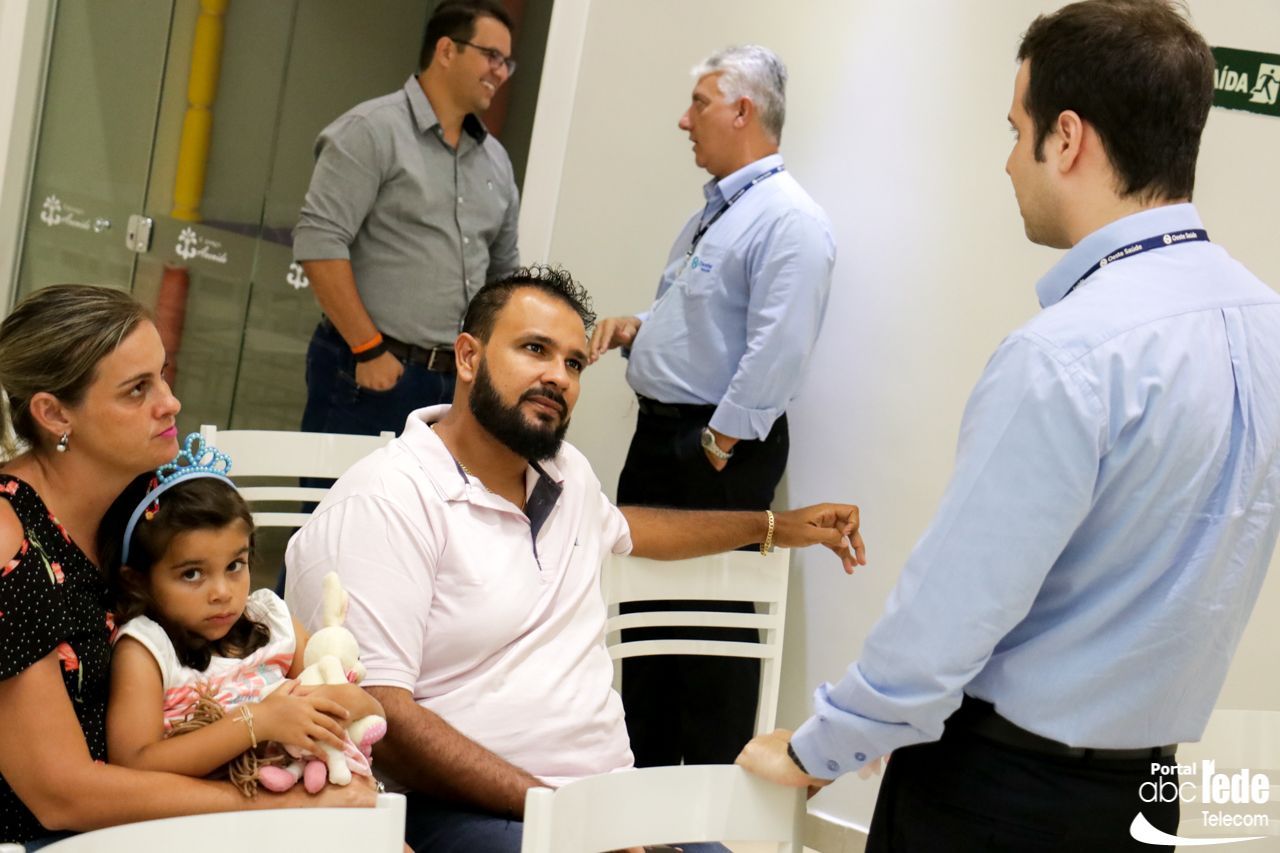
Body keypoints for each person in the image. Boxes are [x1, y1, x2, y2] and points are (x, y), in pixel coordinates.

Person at [736, 2, 1280, 851]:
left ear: (1066, 139)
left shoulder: (1068, 353)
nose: (1006, 160)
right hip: (1144, 798)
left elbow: (948, 621)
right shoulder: (1267, 327)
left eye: (1015, 130)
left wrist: (821, 746)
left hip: (998, 800)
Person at [286, 265, 864, 853]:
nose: (558, 377)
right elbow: (380, 717)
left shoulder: (566, 477)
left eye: (574, 363)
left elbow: (631, 527)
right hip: (454, 810)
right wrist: (573, 821)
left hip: (607, 803)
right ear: (468, 357)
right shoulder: (387, 501)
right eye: (534, 349)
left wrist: (774, 526)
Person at [0, 286, 372, 850]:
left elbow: (234, 642)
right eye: (137, 389)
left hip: (166, 808)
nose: (170, 403)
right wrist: (286, 806)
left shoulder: (145, 498)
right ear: (53, 414)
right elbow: (60, 796)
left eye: (163, 375)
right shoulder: (10, 538)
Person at [588, 44, 837, 767]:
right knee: (646, 625)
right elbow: (705, 316)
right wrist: (641, 329)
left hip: (710, 453)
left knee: (707, 644)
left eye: (698, 103)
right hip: (668, 440)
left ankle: (697, 806)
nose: (684, 120)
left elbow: (778, 348)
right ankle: (640, 788)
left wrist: (720, 441)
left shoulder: (788, 220)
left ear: (741, 110)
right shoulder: (726, 211)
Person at [100, 445, 384, 796]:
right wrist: (258, 722)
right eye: (192, 574)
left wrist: (322, 702)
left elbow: (367, 705)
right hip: (209, 814)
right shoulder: (147, 649)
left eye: (235, 565)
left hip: (306, 799)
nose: (222, 592)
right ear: (138, 580)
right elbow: (134, 763)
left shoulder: (272, 622)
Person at [294, 0, 521, 438]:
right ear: (447, 50)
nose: (501, 72)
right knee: (341, 485)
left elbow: (504, 276)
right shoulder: (370, 130)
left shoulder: (496, 160)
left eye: (507, 62)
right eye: (492, 56)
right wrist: (367, 349)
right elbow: (319, 243)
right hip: (372, 371)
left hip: (458, 384)